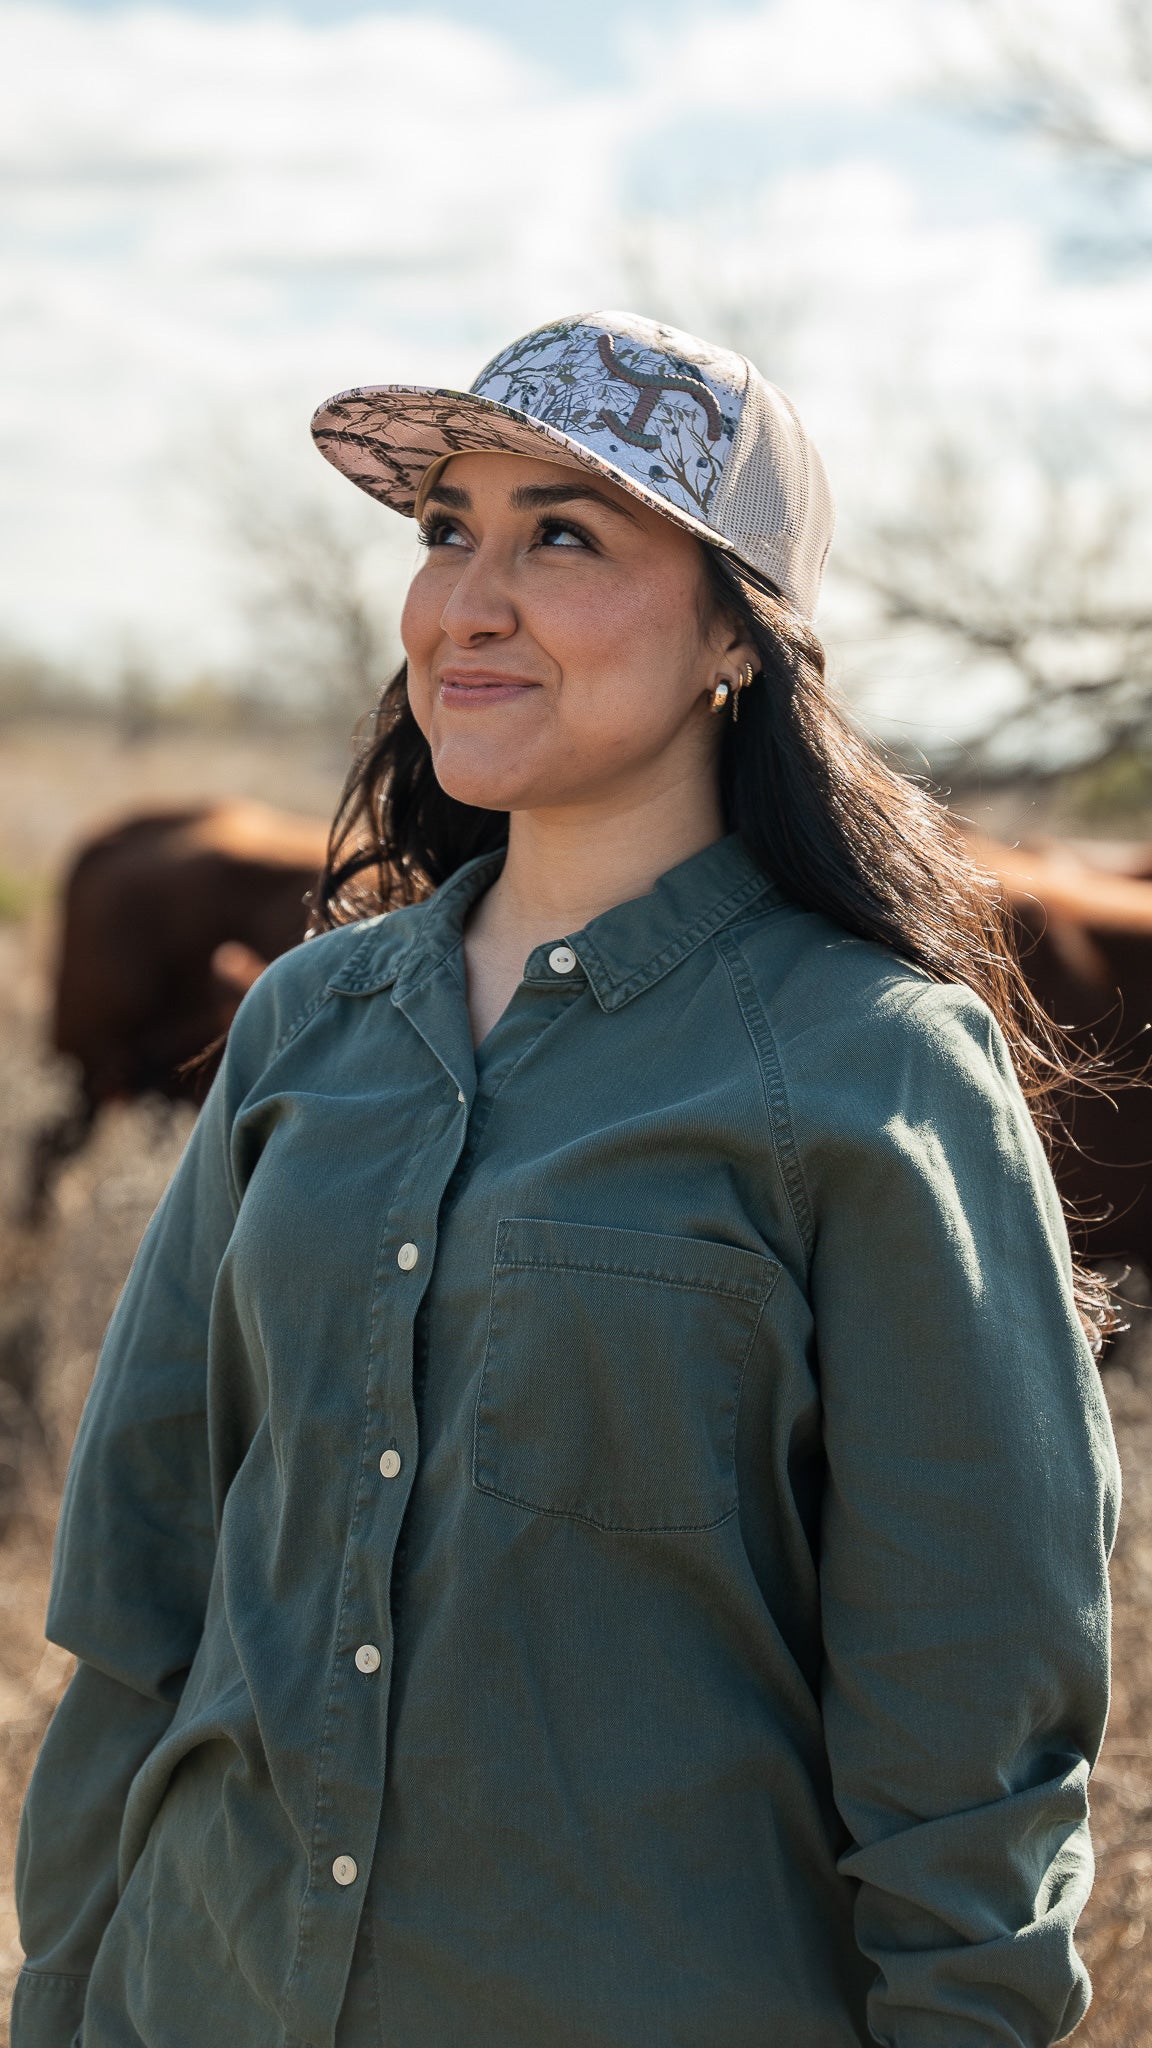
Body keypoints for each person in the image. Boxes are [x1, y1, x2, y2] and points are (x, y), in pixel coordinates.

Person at [13, 311, 1121, 2048]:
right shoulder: (311, 1020)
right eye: (451, 527)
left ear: (735, 644)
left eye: (565, 536)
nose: (470, 598)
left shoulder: (875, 1070)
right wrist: (65, 1994)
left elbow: (973, 1729)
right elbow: (142, 1602)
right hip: (196, 1994)